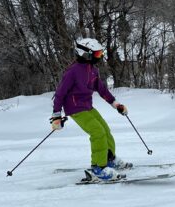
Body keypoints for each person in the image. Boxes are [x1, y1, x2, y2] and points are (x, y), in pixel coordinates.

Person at [50, 38, 128, 182]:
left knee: (105, 129)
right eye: (97, 54)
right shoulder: (72, 71)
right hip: (75, 108)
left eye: (100, 54)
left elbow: (102, 89)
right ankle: (98, 168)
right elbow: (60, 93)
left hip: (87, 106)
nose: (99, 57)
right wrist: (56, 115)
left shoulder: (93, 70)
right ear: (86, 54)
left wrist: (116, 104)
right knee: (97, 132)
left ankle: (109, 159)